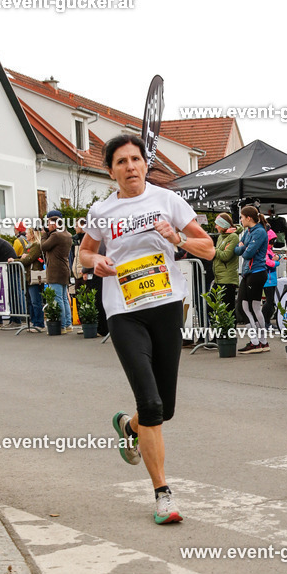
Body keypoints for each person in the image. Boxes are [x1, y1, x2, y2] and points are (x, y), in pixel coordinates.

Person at [79, 133, 214, 525]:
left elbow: (209, 247)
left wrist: (176, 237)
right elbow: (84, 252)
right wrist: (94, 262)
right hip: (124, 311)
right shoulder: (102, 212)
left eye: (135, 160)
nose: (130, 167)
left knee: (162, 408)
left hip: (166, 306)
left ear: (145, 164)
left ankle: (129, 426)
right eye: (121, 162)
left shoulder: (167, 200)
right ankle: (163, 494)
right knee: (151, 403)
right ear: (111, 171)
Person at [234, 205, 270, 354]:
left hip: (256, 272)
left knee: (249, 308)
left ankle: (258, 342)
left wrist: (243, 247)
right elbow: (237, 250)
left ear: (249, 218)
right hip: (249, 273)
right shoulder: (248, 232)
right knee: (247, 307)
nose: (240, 220)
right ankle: (260, 342)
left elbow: (247, 254)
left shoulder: (259, 232)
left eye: (241, 217)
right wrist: (243, 247)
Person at [41, 210, 73, 334]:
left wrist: (44, 234)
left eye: (49, 224)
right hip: (64, 269)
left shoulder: (56, 236)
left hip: (55, 270)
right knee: (64, 298)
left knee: (58, 298)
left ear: (54, 225)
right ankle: (68, 324)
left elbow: (43, 247)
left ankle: (62, 325)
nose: (47, 226)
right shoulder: (67, 234)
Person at [212, 212, 241, 316]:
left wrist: (213, 249)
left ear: (223, 225)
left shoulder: (233, 237)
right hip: (219, 278)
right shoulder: (221, 237)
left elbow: (226, 256)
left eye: (217, 224)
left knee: (228, 309)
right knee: (212, 305)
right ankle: (220, 330)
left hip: (228, 279)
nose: (215, 226)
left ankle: (230, 331)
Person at [20, 225, 45, 332]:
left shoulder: (36, 246)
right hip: (28, 276)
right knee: (30, 301)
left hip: (34, 276)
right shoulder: (29, 246)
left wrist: (17, 260)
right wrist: (21, 258)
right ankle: (34, 322)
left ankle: (39, 323)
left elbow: (29, 259)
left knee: (35, 301)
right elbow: (25, 258)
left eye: (27, 233)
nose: (25, 235)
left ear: (32, 235)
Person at [262, 229, 280, 330]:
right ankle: (264, 322)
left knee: (270, 301)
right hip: (267, 279)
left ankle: (267, 322)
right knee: (269, 302)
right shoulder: (265, 250)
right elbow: (270, 263)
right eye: (271, 242)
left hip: (271, 279)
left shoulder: (269, 250)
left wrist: (277, 259)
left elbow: (276, 258)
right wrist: (277, 262)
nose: (272, 244)